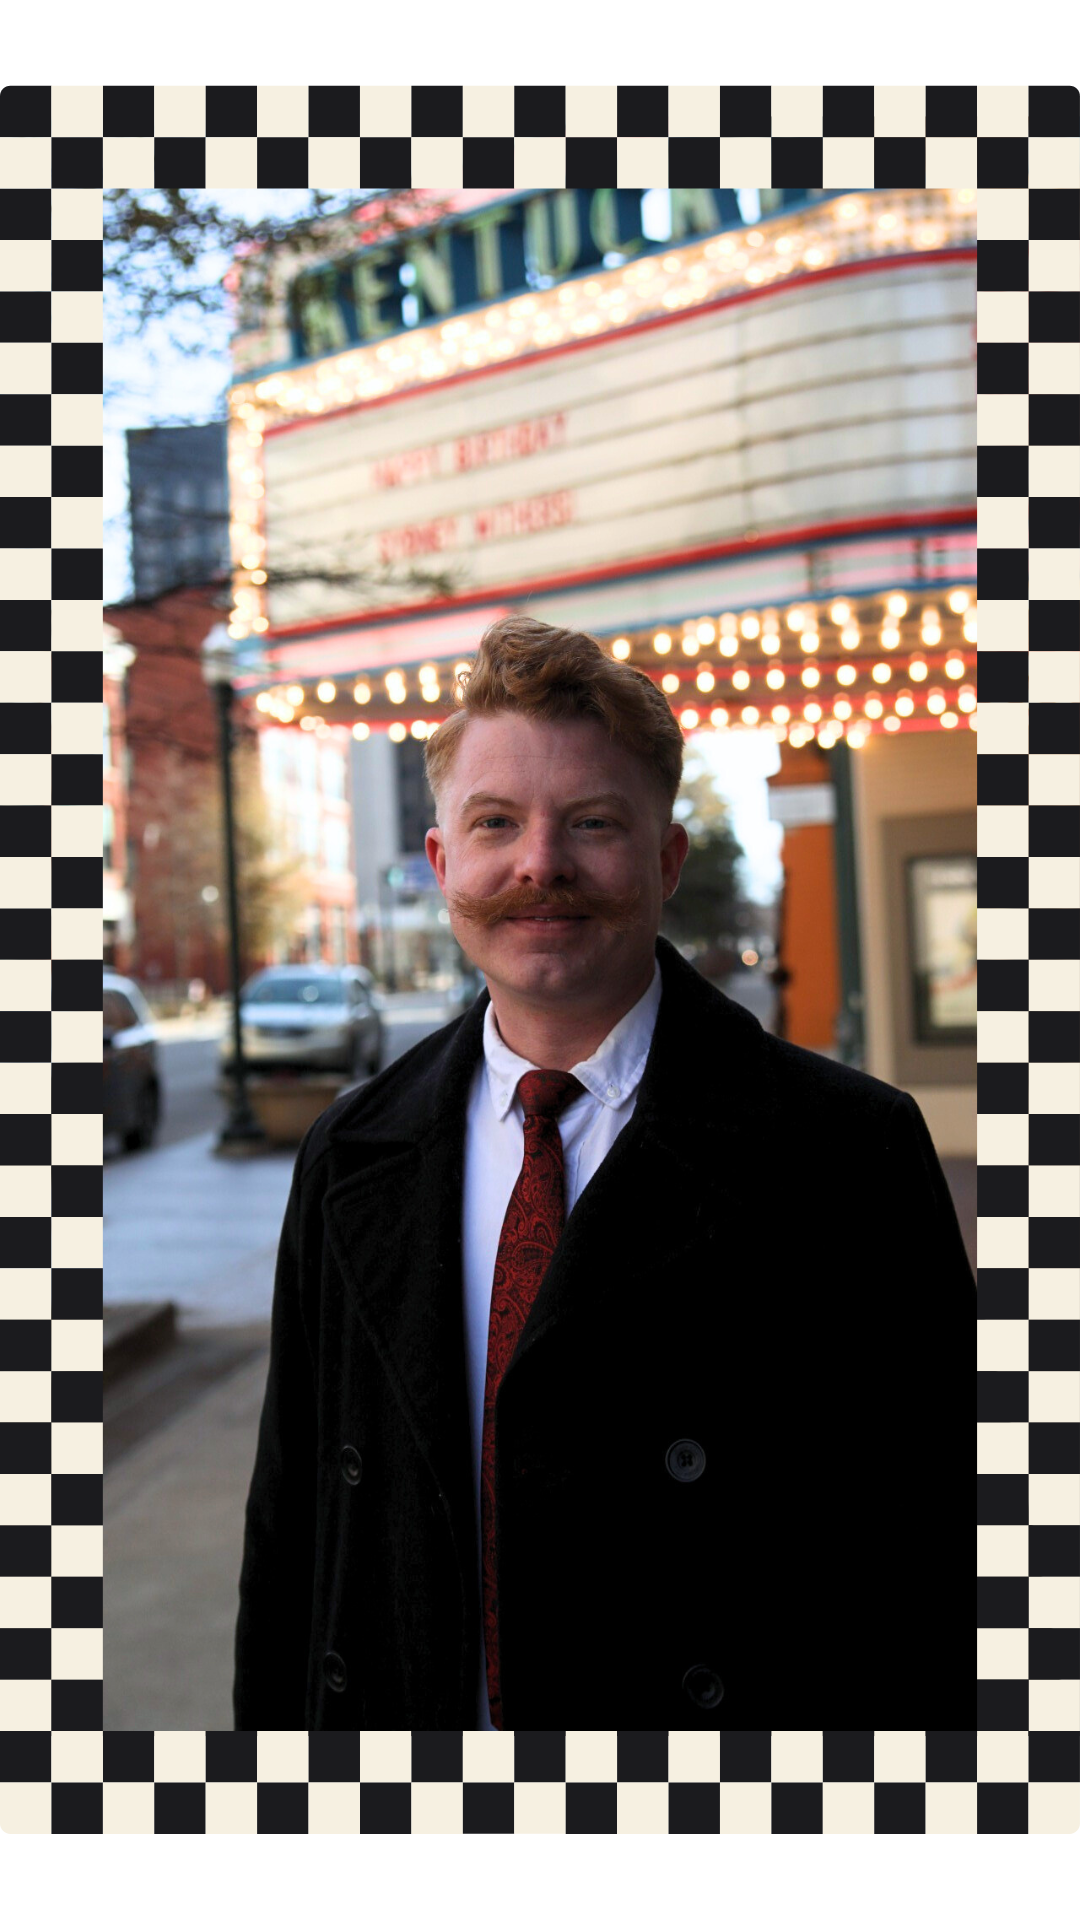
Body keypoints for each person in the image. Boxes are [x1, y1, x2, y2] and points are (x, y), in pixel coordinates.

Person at [234, 614, 973, 1733]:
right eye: (496, 824)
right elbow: (293, 1537)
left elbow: (945, 1550)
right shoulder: (350, 1155)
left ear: (665, 860)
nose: (540, 864)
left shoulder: (847, 1151)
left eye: (592, 822)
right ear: (443, 864)